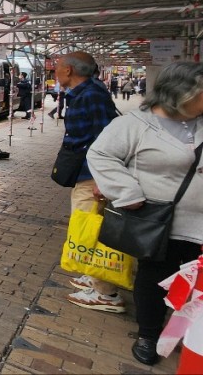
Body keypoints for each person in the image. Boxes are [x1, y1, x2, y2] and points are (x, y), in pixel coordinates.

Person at [87, 62, 203, 365]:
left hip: (200, 223)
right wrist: (127, 192)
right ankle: (149, 334)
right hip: (157, 223)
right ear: (180, 93)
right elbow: (100, 155)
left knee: (195, 285)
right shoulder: (134, 125)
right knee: (155, 276)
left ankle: (187, 334)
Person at [55, 52, 122, 313]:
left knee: (89, 228)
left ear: (69, 70)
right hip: (87, 172)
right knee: (85, 224)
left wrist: (102, 179)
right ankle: (92, 274)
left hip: (91, 174)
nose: (55, 73)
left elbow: (105, 138)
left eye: (57, 68)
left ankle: (106, 293)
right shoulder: (86, 91)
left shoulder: (91, 94)